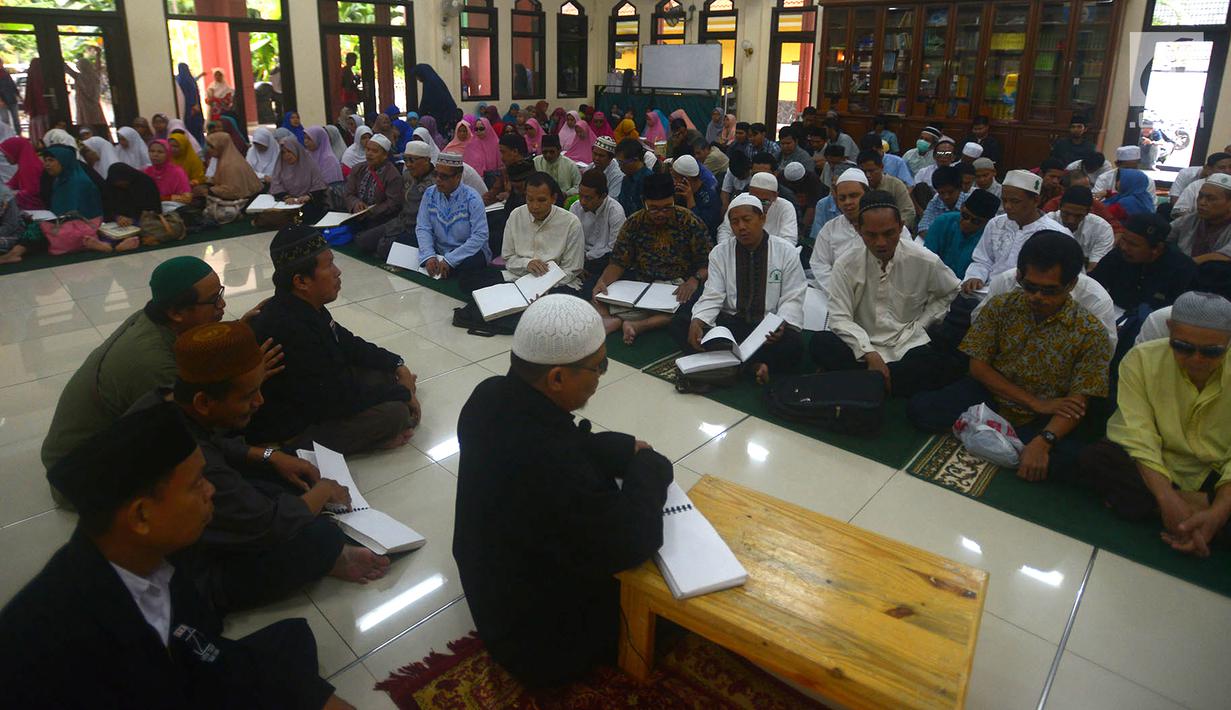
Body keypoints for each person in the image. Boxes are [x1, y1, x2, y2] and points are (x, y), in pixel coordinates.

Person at [3, 403, 353, 709]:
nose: (211, 490)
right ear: (141, 516)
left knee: (291, 644)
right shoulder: (53, 644)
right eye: (197, 483)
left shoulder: (151, 563)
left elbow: (202, 649)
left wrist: (309, 696)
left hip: (179, 676)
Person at [454, 294, 672, 687]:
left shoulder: (488, 395)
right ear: (556, 378)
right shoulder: (555, 464)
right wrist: (652, 466)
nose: (601, 376)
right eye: (598, 366)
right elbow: (634, 540)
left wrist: (622, 448)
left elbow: (566, 438)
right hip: (538, 644)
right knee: (672, 612)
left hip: (495, 593)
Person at [140, 320, 389, 613]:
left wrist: (270, 455)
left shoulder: (164, 399)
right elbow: (270, 525)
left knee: (286, 466)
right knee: (323, 537)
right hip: (189, 575)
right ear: (204, 401)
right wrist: (323, 491)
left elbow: (214, 443)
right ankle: (331, 557)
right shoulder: (196, 463)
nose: (259, 401)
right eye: (248, 395)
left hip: (198, 523)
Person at [909, 232, 1112, 482]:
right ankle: (1007, 442)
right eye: (1031, 287)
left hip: (1045, 417)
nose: (1038, 297)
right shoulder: (1001, 306)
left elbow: (1077, 402)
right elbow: (978, 367)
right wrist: (1034, 402)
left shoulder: (1091, 332)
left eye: (1050, 291)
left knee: (1078, 463)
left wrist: (1045, 440)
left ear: (1071, 285)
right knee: (922, 410)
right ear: (1019, 276)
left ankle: (996, 437)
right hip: (994, 395)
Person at [41, 257, 233, 472]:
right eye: (213, 300)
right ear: (176, 312)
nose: (222, 304)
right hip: (80, 470)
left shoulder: (153, 319)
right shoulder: (153, 365)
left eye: (220, 294)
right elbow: (195, 433)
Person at [1079, 292, 1231, 555]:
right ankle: (1193, 515)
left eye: (1211, 352)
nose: (1196, 359)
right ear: (1170, 329)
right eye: (1183, 347)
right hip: (1158, 462)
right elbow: (1138, 434)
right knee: (1096, 458)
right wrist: (1166, 497)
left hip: (1216, 474)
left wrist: (1220, 509)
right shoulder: (1142, 359)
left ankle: (1158, 509)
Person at [247, 227, 419, 454]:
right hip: (293, 427)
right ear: (301, 281)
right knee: (394, 414)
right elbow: (335, 401)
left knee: (384, 373)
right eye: (328, 266)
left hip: (321, 394)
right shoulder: (288, 328)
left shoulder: (302, 304)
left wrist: (397, 364)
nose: (338, 272)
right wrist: (401, 393)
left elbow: (348, 343)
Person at [811, 191, 962, 397]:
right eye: (871, 235)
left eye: (889, 233)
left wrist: (922, 324)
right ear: (858, 230)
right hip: (860, 344)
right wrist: (869, 353)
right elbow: (840, 317)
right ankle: (884, 382)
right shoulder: (846, 265)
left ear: (901, 227)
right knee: (820, 343)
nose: (881, 243)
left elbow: (951, 291)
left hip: (908, 343)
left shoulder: (925, 260)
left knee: (942, 361)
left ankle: (861, 381)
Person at [676, 193, 806, 383]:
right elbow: (713, 294)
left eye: (747, 219)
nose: (741, 227)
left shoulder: (786, 251)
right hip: (733, 324)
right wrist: (699, 320)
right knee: (682, 322)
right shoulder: (720, 253)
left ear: (762, 219)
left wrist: (781, 322)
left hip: (766, 329)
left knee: (794, 344)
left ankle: (729, 364)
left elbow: (793, 296)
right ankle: (753, 366)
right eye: (735, 222)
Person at [592, 173, 712, 344]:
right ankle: (614, 319)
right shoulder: (634, 223)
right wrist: (603, 281)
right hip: (642, 285)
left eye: (667, 207)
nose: (661, 214)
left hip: (679, 286)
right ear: (644, 202)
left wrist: (694, 280)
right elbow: (618, 262)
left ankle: (637, 324)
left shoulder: (690, 221)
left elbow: (709, 264)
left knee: (691, 308)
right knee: (597, 293)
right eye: (654, 208)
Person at [962, 170, 1069, 294]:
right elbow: (982, 260)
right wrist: (975, 277)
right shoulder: (996, 223)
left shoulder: (1056, 234)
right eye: (1004, 200)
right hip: (986, 292)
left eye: (1015, 201)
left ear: (1036, 200)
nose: (1007, 206)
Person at [810, 169, 911, 290]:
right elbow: (819, 264)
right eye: (842, 198)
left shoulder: (890, 224)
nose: (847, 202)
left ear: (867, 195)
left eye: (853, 196)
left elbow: (907, 260)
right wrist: (839, 290)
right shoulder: (830, 228)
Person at [1092, 213, 1195, 317]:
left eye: (1133, 244)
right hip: (1111, 313)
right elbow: (1094, 286)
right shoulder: (1118, 255)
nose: (1124, 247)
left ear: (1157, 248)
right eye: (1123, 240)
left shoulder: (1181, 268)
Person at [499, 171, 585, 292]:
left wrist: (541, 285)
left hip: (557, 284)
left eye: (541, 200)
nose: (535, 206)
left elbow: (571, 269)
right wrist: (526, 264)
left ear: (553, 199)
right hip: (518, 278)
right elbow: (508, 258)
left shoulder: (571, 223)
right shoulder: (516, 215)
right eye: (530, 199)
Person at [415, 152, 492, 282]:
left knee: (467, 269)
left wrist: (451, 260)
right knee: (404, 240)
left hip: (467, 252)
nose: (438, 180)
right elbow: (423, 227)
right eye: (436, 174)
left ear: (458, 177)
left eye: (443, 176)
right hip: (440, 249)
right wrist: (429, 256)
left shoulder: (472, 198)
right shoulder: (430, 193)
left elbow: (480, 236)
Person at [355, 141, 435, 259]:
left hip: (420, 228)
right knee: (362, 240)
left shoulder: (436, 182)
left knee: (384, 248)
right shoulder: (407, 175)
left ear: (427, 160)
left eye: (412, 160)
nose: (408, 164)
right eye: (405, 159)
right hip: (401, 222)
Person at [571, 167, 626, 296]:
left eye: (588, 198)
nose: (583, 202)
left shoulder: (615, 211)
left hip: (604, 263)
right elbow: (571, 241)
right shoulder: (575, 208)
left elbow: (614, 249)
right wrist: (577, 265)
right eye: (580, 196)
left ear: (603, 196)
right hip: (579, 261)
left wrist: (586, 259)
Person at [924, 189, 1001, 279]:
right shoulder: (943, 221)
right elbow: (927, 257)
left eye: (976, 221)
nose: (968, 222)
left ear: (987, 223)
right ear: (961, 207)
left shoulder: (992, 238)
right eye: (965, 216)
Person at [717, 170, 797, 245]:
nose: (758, 204)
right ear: (749, 192)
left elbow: (789, 239)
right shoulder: (739, 202)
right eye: (755, 199)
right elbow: (725, 231)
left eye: (764, 201)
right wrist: (726, 251)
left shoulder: (785, 207)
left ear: (775, 196)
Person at [342, 132, 402, 230]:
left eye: (374, 151)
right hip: (356, 217)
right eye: (368, 149)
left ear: (385, 155)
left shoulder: (392, 176)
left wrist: (370, 211)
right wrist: (355, 204)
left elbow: (393, 204)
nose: (369, 153)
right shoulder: (358, 169)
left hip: (380, 222)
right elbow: (348, 193)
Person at [1168, 173, 1231, 264]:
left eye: (1211, 199)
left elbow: (1226, 255)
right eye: (1200, 196)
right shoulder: (1191, 219)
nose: (1202, 202)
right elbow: (1164, 234)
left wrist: (1187, 265)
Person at [1048, 185, 1114, 270]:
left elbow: (1095, 267)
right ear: (1059, 207)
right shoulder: (1047, 222)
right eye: (1066, 213)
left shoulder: (1102, 229)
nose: (1071, 220)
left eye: (1078, 216)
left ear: (1088, 211)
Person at [40, 144, 103, 218]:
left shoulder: (80, 183)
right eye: (45, 160)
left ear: (64, 161)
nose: (47, 164)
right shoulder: (58, 181)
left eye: (51, 160)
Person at [669, 154, 721, 236]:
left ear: (685, 179)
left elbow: (701, 227)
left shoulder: (710, 197)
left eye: (675, 178)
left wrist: (690, 200)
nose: (674, 182)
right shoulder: (679, 192)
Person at [202, 132, 263, 201]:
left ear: (221, 147)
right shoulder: (226, 157)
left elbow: (233, 191)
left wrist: (209, 190)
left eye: (212, 147)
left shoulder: (229, 164)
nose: (208, 149)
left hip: (244, 200)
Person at [66, 46, 110, 139]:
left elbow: (66, 68)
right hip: (95, 106)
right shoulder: (95, 75)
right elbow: (98, 66)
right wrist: (98, 54)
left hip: (84, 107)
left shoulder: (78, 77)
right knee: (98, 124)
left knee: (86, 125)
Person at [1170, 151, 1231, 218]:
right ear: (1209, 169)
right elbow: (1179, 210)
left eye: (1230, 167)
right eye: (1222, 168)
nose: (1228, 171)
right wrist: (1195, 221)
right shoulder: (1195, 186)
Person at [917, 166, 970, 236]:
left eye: (950, 192)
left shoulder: (970, 201)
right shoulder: (934, 203)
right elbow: (923, 228)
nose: (946, 197)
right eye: (941, 193)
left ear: (960, 188)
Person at [1, 136, 45, 209]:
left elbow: (32, 193)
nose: (5, 157)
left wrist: (9, 194)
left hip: (36, 208)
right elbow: (12, 184)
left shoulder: (31, 167)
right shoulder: (24, 165)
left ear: (15, 151)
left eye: (7, 153)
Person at [412, 64, 459, 131]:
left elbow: (425, 102)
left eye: (417, 76)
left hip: (442, 117)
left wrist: (419, 116)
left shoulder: (430, 83)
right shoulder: (434, 80)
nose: (417, 79)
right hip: (447, 115)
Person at [614, 137, 653, 216]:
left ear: (635, 160)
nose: (619, 166)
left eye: (621, 162)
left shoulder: (650, 180)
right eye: (618, 162)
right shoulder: (626, 179)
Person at [174, 63, 206, 146]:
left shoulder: (179, 80)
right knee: (196, 128)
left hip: (186, 109)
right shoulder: (190, 80)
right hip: (194, 108)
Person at [591, 134, 622, 200]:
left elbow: (612, 199)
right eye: (595, 154)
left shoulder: (617, 175)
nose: (596, 158)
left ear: (611, 158)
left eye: (601, 156)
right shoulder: (590, 167)